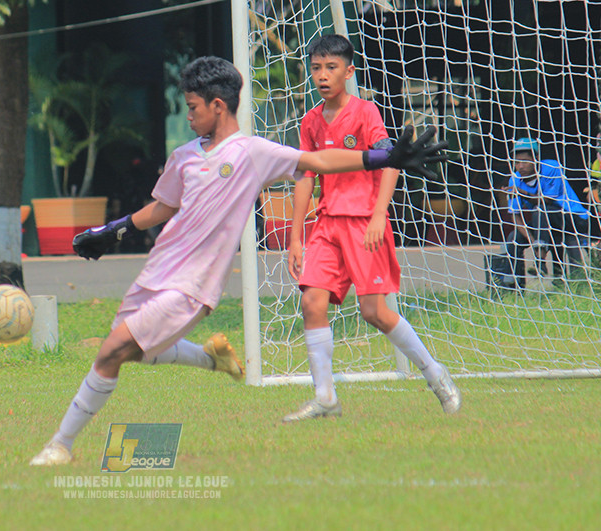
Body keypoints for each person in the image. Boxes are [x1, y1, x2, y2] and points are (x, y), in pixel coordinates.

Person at [29, 55, 447, 466]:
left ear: (217, 105)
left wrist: (383, 157)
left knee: (111, 351)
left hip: (193, 286)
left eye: (193, 108)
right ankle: (212, 359)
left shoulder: (252, 153)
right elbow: (161, 208)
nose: (188, 116)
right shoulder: (185, 156)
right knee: (134, 351)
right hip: (157, 272)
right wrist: (111, 231)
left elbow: (318, 162)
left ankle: (59, 445)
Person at [284, 34, 460, 423]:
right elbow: (305, 177)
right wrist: (296, 237)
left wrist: (380, 214)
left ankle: (435, 374)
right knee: (311, 303)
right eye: (316, 68)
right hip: (327, 225)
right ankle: (325, 397)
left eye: (331, 68)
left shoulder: (366, 112)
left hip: (365, 222)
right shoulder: (310, 121)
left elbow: (392, 159)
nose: (323, 75)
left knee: (374, 312)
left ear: (348, 71)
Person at [500, 137, 589, 287]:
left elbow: (546, 200)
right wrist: (532, 240)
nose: (520, 166)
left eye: (525, 161)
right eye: (516, 162)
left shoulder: (551, 168)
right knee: (513, 237)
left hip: (572, 218)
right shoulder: (514, 180)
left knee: (540, 210)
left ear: (536, 159)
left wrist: (523, 193)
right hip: (543, 223)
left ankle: (540, 261)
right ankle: (514, 286)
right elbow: (515, 216)